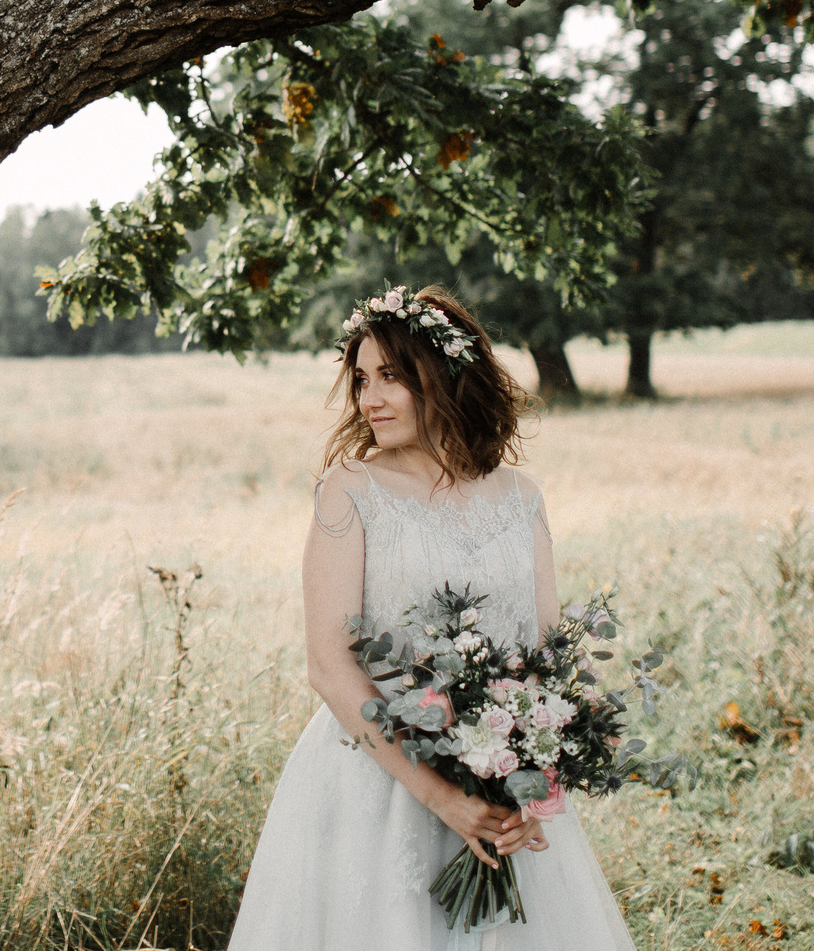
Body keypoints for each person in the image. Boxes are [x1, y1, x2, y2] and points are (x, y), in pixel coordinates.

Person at [227, 285, 637, 950]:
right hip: (376, 785)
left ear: (446, 374)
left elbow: (548, 655)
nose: (370, 398)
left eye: (392, 375)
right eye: (361, 379)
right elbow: (330, 667)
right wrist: (439, 796)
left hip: (502, 787)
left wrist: (532, 787)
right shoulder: (349, 492)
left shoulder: (521, 498)